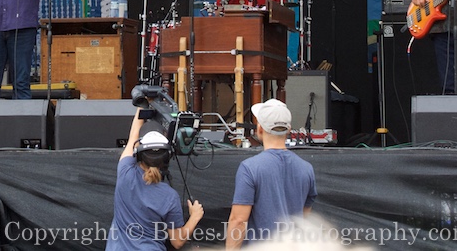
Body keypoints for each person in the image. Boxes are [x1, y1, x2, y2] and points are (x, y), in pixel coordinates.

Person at [107, 109, 204, 249]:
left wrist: (142, 106)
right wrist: (195, 216)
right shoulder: (169, 196)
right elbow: (177, 241)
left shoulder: (125, 173)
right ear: (167, 156)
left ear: (139, 152)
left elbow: (133, 136)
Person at [226, 99, 317, 248]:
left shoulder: (249, 168)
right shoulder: (306, 169)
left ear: (259, 129)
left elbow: (238, 221)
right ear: (288, 130)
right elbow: (304, 218)